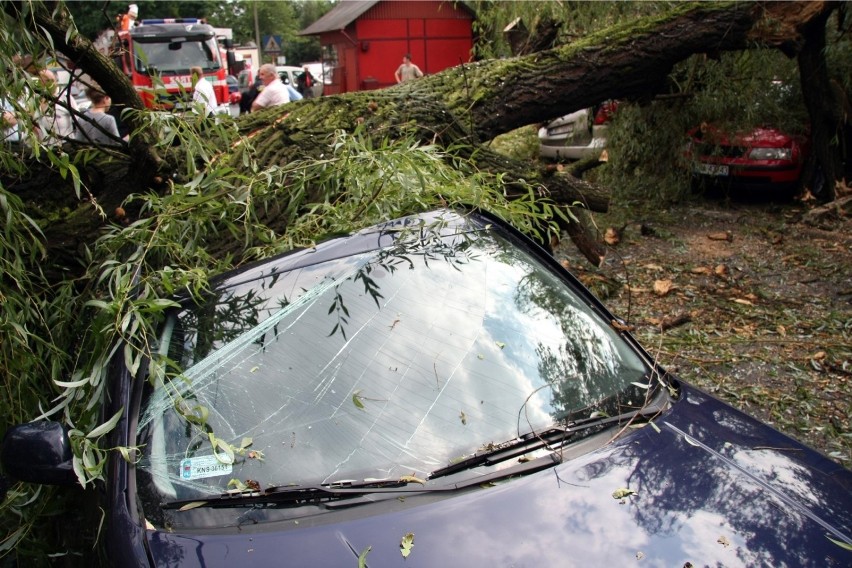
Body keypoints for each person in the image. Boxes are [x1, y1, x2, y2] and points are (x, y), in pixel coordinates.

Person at [35, 69, 78, 145]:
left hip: (65, 144)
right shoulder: (36, 98)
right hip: (44, 146)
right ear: (40, 82)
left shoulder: (65, 97)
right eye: (47, 80)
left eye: (53, 80)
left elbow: (78, 120)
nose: (52, 83)